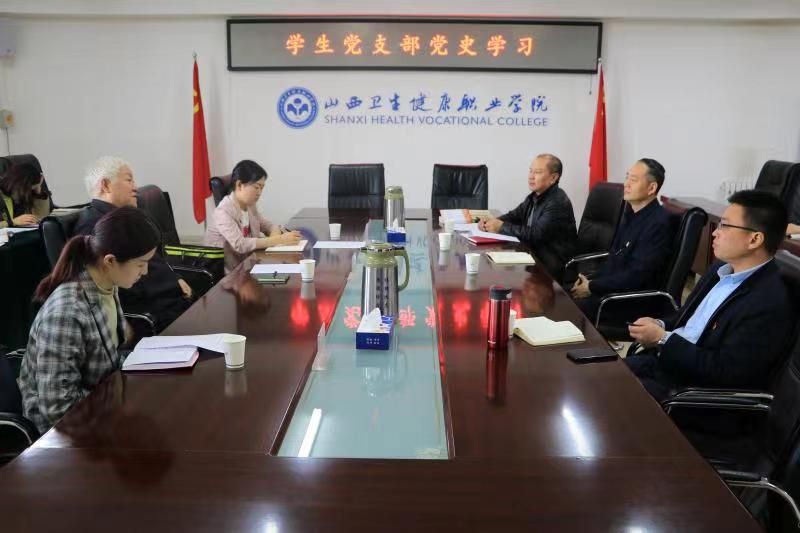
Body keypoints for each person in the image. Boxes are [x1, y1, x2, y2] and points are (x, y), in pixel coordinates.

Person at [625, 189, 794, 402]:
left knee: (607, 396)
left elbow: (724, 371)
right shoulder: (719, 269)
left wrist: (662, 338)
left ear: (754, 239)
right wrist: (660, 324)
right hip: (665, 363)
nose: (715, 233)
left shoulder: (767, 300)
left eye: (725, 225)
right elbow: (687, 320)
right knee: (598, 371)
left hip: (688, 393)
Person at [18, 207, 160, 433]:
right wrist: (120, 401)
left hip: (102, 407)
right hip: (65, 433)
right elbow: (58, 408)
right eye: (141, 264)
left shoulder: (107, 284)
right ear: (110, 260)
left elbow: (108, 360)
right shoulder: (66, 313)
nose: (145, 272)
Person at [75, 156, 192, 332]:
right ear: (105, 185)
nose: (135, 187)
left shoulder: (125, 218)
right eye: (129, 180)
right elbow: (123, 285)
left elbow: (151, 259)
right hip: (152, 313)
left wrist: (175, 278)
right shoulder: (96, 226)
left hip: (170, 300)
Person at [571, 158, 674, 321]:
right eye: (627, 177)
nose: (626, 184)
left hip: (629, 302)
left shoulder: (658, 223)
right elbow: (614, 260)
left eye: (633, 180)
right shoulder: (631, 213)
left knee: (566, 308)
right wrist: (589, 280)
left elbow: (637, 276)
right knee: (560, 294)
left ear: (651, 188)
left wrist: (592, 286)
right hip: (612, 291)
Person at [478, 153, 578, 279]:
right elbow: (514, 215)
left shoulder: (557, 202)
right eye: (530, 171)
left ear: (553, 178)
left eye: (538, 172)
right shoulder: (535, 196)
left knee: (501, 275)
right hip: (535, 257)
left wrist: (501, 227)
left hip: (553, 268)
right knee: (493, 267)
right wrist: (491, 222)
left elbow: (536, 235)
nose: (531, 176)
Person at [204, 159, 302, 272]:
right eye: (256, 187)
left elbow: (268, 225)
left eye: (262, 188)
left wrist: (275, 238)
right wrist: (278, 240)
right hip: (225, 271)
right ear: (239, 185)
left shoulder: (250, 205)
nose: (259, 192)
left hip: (246, 264)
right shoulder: (223, 211)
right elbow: (240, 244)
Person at [0, 162, 51, 228]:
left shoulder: (24, 195)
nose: (28, 193)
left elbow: (40, 219)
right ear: (17, 184)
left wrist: (38, 191)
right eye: (28, 190)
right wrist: (12, 222)